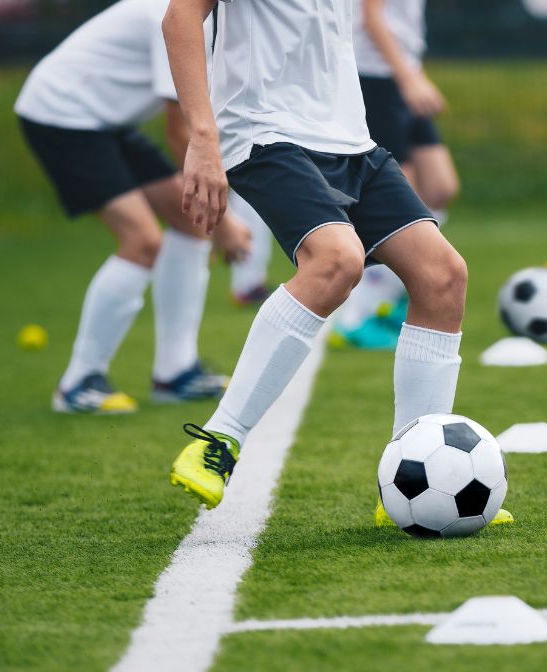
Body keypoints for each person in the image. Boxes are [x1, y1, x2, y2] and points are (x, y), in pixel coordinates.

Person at [162, 0, 472, 513]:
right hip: (266, 132)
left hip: (350, 140)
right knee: (335, 260)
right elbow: (179, 17)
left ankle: (408, 481)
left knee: (443, 276)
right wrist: (202, 135)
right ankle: (216, 441)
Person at [15, 0, 251, 414]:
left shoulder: (216, 18)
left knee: (191, 223)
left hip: (107, 121)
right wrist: (227, 221)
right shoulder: (173, 15)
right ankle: (78, 383)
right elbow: (184, 135)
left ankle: (176, 374)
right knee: (142, 240)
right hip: (61, 114)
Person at [331, 0, 461, 351]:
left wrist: (413, 73)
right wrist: (410, 79)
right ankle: (360, 315)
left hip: (403, 73)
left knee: (440, 187)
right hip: (375, 78)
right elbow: (372, 18)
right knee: (397, 199)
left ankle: (392, 295)